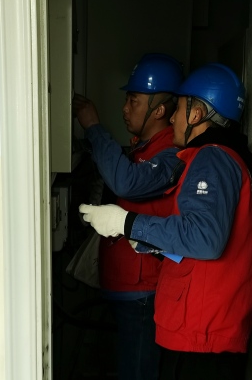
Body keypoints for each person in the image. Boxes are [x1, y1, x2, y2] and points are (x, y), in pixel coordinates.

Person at [79, 63, 252, 380]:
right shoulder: (216, 158)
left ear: (196, 115)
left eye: (179, 109)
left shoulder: (212, 158)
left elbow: (204, 238)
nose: (173, 118)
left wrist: (127, 223)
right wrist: (145, 239)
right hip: (201, 329)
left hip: (203, 333)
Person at [73, 53, 184, 380]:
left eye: (133, 100)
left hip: (142, 294)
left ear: (159, 110)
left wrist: (94, 127)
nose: (124, 108)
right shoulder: (142, 148)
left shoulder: (170, 153)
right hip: (125, 288)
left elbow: (126, 183)